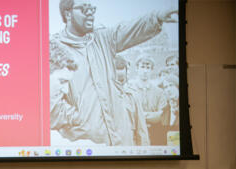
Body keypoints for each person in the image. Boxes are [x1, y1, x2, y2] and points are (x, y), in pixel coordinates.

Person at [50, 0, 178, 145]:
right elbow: (50, 106)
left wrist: (156, 17)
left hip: (120, 144)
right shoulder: (54, 50)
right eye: (84, 9)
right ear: (68, 14)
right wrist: (81, 121)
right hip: (86, 149)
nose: (90, 13)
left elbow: (129, 29)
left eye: (92, 8)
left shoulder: (103, 38)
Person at [129, 54, 169, 145]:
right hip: (135, 134)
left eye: (148, 67)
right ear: (137, 69)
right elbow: (129, 116)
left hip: (155, 132)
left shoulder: (159, 92)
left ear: (151, 70)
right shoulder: (130, 90)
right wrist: (150, 115)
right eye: (142, 67)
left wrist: (140, 115)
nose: (145, 71)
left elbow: (161, 116)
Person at [114, 55, 150, 146]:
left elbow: (142, 131)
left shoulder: (133, 95)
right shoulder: (102, 96)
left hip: (129, 149)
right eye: (116, 81)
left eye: (122, 80)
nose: (119, 85)